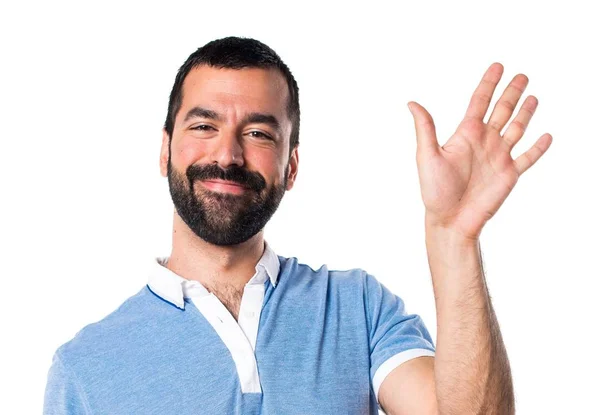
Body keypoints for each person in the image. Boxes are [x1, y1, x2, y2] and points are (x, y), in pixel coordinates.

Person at [43, 36, 551, 415]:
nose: (228, 154)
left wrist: (453, 237)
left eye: (259, 132)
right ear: (164, 149)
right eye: (203, 126)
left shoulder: (359, 310)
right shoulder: (84, 368)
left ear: (291, 166)